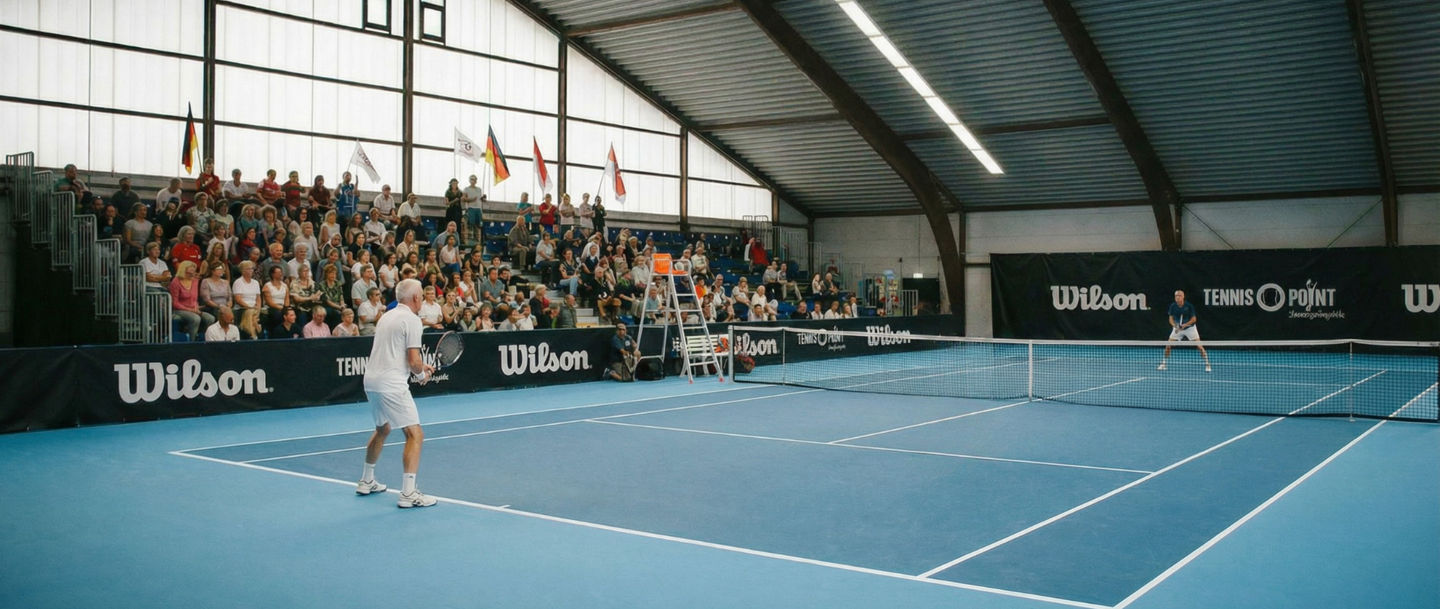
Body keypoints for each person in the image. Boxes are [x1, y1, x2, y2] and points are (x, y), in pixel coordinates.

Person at [357, 278, 436, 508]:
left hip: (371, 381)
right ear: (415, 298)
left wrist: (421, 369)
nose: (421, 298)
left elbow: (397, 354)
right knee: (415, 434)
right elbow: (413, 360)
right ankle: (409, 494)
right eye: (421, 295)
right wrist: (421, 375)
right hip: (391, 384)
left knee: (383, 429)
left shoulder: (386, 316)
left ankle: (366, 480)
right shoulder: (412, 320)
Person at [1159, 290, 1212, 373]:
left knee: (1199, 347)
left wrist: (1185, 325)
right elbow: (1170, 319)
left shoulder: (1189, 306)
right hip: (1178, 329)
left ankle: (1207, 364)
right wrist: (1175, 326)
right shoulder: (1173, 306)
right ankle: (1163, 363)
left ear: (1183, 297)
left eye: (1179, 295)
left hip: (1190, 328)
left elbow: (1194, 319)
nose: (1177, 297)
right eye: (1176, 296)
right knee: (1168, 346)